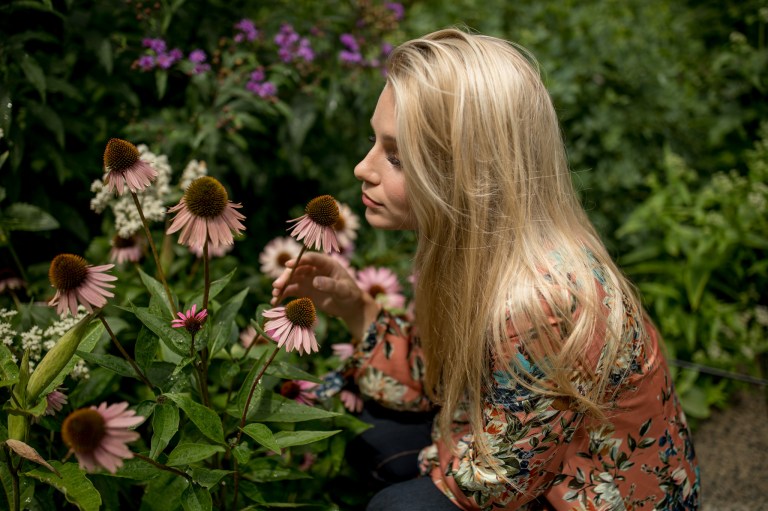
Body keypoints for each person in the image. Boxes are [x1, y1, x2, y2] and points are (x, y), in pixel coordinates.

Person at [272, 28, 700, 511]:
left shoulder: (539, 302)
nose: (361, 168)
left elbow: (498, 483)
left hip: (593, 495)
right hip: (521, 453)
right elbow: (433, 380)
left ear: (468, 174)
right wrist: (354, 304)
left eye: (396, 156)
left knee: (397, 506)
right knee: (372, 435)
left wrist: (432, 459)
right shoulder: (469, 251)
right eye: (375, 142)